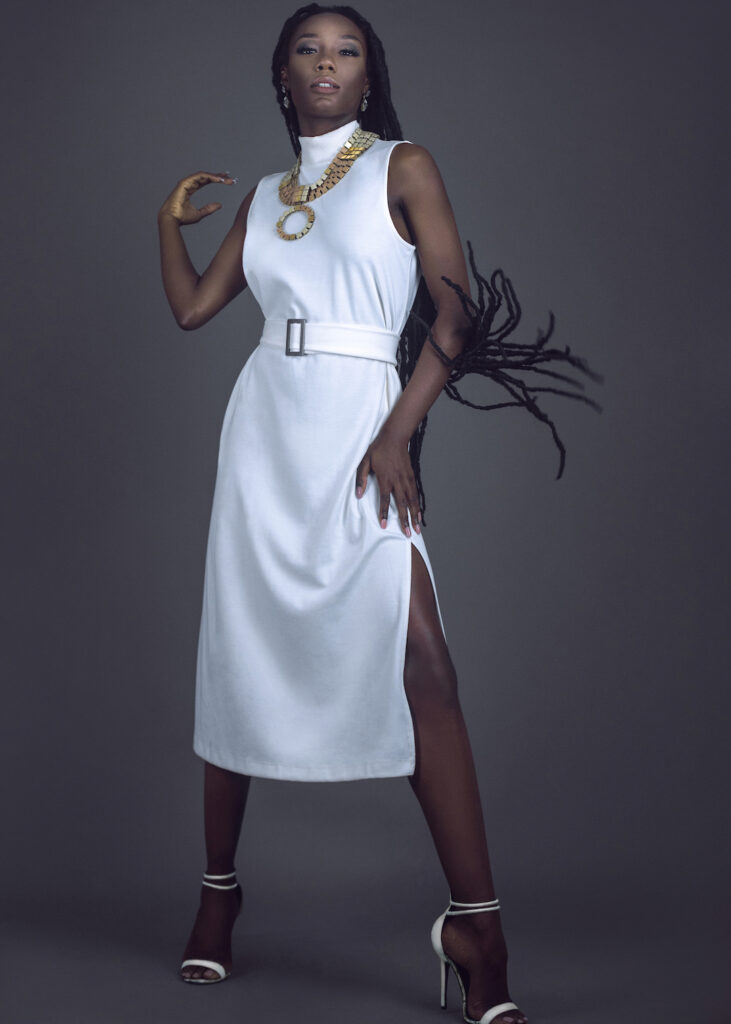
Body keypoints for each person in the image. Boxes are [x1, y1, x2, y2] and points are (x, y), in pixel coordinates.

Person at [157, 5, 529, 1022]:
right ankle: (218, 897)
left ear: (369, 77)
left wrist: (399, 429)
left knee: (424, 665)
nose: (326, 63)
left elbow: (455, 312)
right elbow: (192, 310)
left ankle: (478, 927)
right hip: (263, 436)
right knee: (237, 653)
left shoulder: (403, 167)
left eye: (346, 51)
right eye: (308, 50)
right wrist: (166, 224)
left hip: (364, 425)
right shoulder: (265, 196)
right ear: (283, 76)